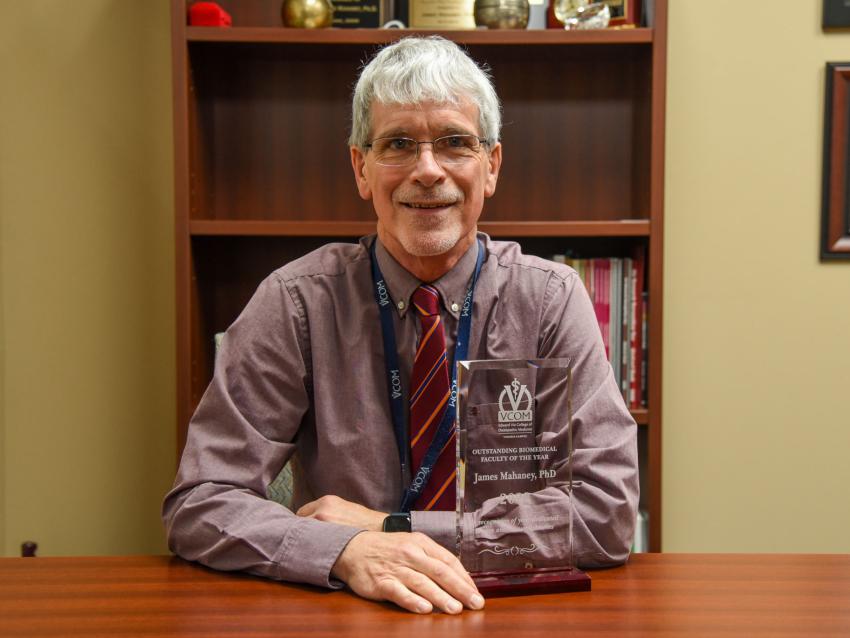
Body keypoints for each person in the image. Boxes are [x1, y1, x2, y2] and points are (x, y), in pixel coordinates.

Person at [163, 35, 638, 615]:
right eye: (398, 145)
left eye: (455, 143)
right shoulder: (295, 302)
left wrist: (395, 527)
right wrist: (344, 551)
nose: (428, 170)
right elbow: (202, 503)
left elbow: (606, 513)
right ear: (361, 168)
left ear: (491, 166)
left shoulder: (549, 301)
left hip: (509, 610)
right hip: (343, 610)